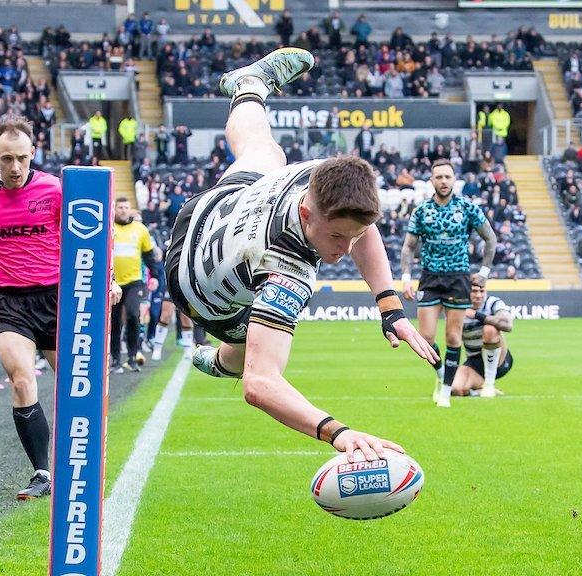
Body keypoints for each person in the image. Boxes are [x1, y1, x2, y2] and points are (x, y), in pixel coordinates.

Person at [165, 48, 437, 463]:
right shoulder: (286, 272)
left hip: (216, 207)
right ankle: (218, 361)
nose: (343, 250)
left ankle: (249, 85)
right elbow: (260, 386)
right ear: (307, 214)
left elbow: (362, 227)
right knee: (251, 358)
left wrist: (390, 308)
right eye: (335, 237)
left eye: (352, 236)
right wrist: (338, 433)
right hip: (195, 289)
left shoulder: (322, 176)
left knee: (266, 153)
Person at [0, 114, 119, 499]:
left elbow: (98, 234)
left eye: (21, 158)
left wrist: (108, 279)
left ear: (33, 153)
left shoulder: (56, 190)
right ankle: (41, 472)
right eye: (6, 159)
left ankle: (84, 462)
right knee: (21, 379)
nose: (15, 167)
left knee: (75, 384)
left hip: (59, 299)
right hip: (10, 303)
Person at [401, 158, 497, 408]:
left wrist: (484, 272)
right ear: (431, 180)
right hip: (430, 278)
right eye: (439, 177)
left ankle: (445, 390)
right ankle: (443, 374)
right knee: (425, 337)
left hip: (458, 278)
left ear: (454, 180)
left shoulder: (467, 208)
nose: (443, 181)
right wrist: (406, 277)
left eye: (447, 177)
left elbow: (490, 239)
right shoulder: (421, 210)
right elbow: (409, 246)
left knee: (453, 337)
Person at [110, 198, 162, 373]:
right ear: (115, 209)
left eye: (126, 207)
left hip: (134, 281)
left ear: (131, 209)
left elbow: (149, 255)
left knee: (133, 314)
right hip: (113, 282)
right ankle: (115, 359)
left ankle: (132, 357)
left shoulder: (140, 230)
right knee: (115, 321)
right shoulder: (109, 228)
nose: (124, 210)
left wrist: (154, 276)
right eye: (120, 207)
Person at [451, 276, 513, 398]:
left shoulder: (493, 302)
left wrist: (476, 315)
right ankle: (480, 390)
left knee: (489, 329)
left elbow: (508, 325)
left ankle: (489, 384)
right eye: (474, 291)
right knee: (457, 389)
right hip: (474, 361)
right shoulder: (458, 309)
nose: (479, 295)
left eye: (482, 291)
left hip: (500, 359)